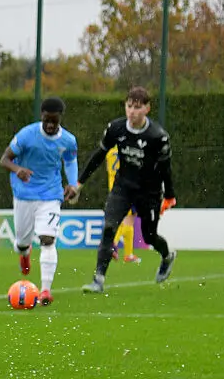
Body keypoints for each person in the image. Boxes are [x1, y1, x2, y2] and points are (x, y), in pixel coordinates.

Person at [76, 86, 177, 293]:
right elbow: (99, 155)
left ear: (147, 109)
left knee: (149, 237)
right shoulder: (116, 128)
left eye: (137, 107)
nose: (132, 111)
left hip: (149, 192)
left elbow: (166, 169)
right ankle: (98, 280)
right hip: (123, 188)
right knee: (108, 228)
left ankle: (167, 256)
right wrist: (79, 183)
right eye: (129, 106)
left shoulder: (158, 136)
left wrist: (169, 196)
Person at [0, 97, 79, 305]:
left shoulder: (68, 140)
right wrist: (18, 170)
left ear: (60, 118)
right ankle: (24, 253)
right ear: (41, 117)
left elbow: (70, 161)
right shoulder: (26, 135)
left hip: (51, 195)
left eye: (54, 121)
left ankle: (45, 291)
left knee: (48, 238)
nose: (50, 125)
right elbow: (4, 159)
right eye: (47, 120)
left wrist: (72, 184)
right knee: (22, 242)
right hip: (24, 194)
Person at [105, 146, 142, 264]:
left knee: (129, 220)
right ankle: (113, 245)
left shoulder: (109, 152)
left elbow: (108, 169)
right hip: (126, 188)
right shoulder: (127, 149)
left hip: (113, 189)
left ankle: (128, 254)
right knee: (127, 220)